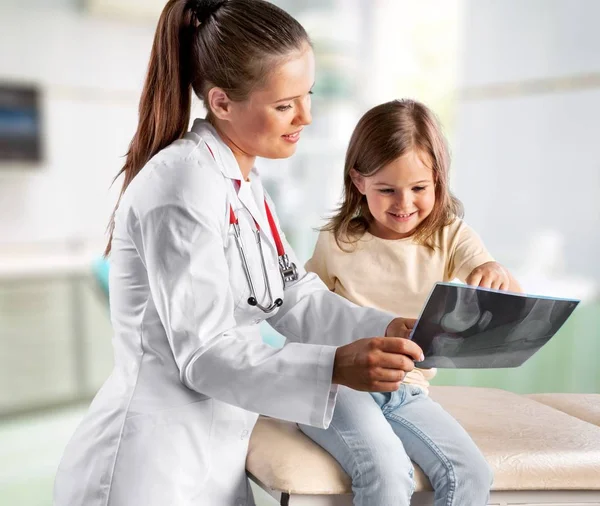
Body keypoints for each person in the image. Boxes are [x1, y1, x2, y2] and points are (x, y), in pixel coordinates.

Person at [53, 2, 425, 505]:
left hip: (213, 454)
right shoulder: (183, 184)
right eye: (285, 105)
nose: (306, 117)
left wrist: (385, 329)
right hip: (151, 467)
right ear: (222, 103)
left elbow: (292, 297)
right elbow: (205, 354)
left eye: (307, 95)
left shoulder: (244, 184)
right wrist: (333, 365)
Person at [298, 99, 522, 506]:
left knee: (472, 473)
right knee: (386, 473)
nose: (404, 204)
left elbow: (488, 270)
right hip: (340, 385)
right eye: (386, 190)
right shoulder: (337, 239)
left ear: (437, 180)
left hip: (407, 389)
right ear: (359, 181)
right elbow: (304, 313)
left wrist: (495, 274)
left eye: (419, 188)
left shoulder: (451, 234)